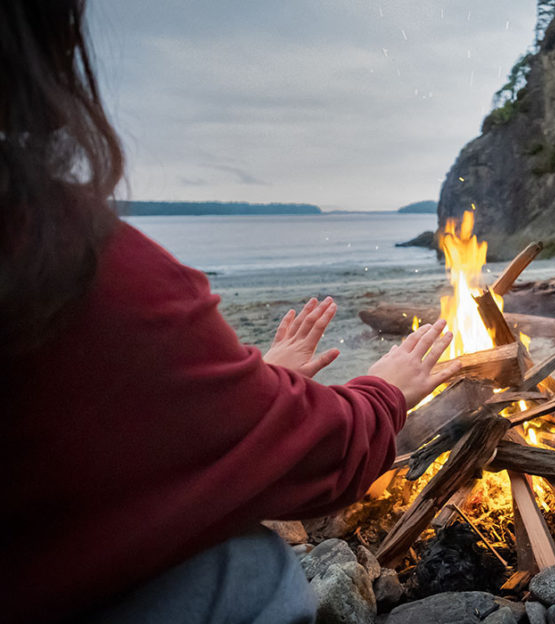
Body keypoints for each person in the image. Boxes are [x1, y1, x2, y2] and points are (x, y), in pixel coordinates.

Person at [0, 2, 459, 622]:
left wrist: (249, 386)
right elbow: (315, 460)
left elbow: (108, 435)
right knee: (251, 570)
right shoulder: (65, 266)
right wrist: (384, 391)